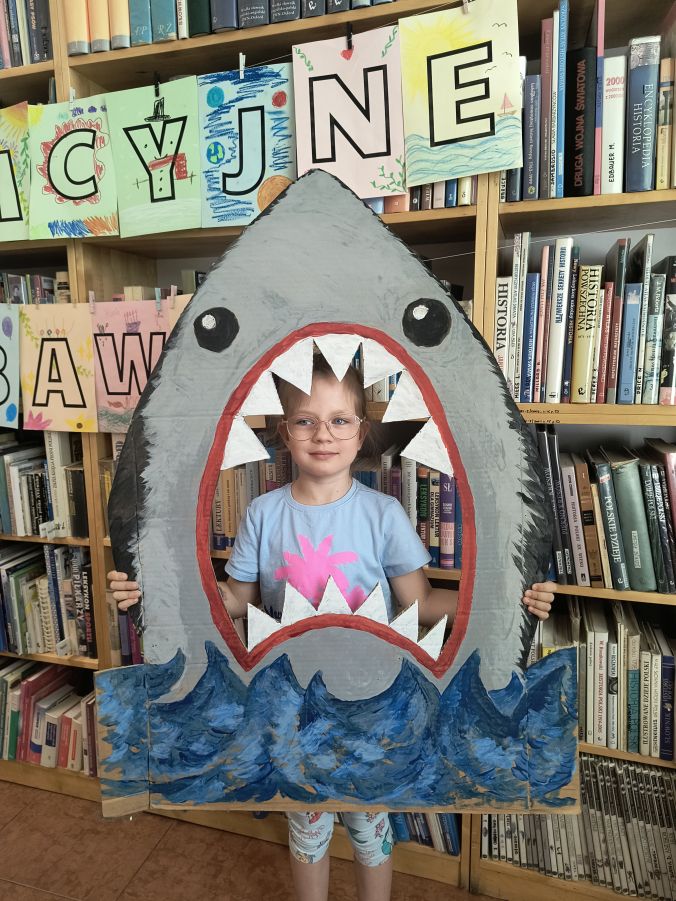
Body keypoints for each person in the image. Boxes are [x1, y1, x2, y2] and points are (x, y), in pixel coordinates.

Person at [109, 353, 555, 901]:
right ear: (284, 431)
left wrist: (506, 603)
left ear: (360, 432)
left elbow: (421, 602)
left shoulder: (383, 514)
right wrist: (153, 595)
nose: (323, 434)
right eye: (306, 420)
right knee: (308, 824)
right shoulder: (263, 514)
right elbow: (236, 601)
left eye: (340, 419)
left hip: (374, 699)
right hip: (293, 703)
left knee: (370, 822)